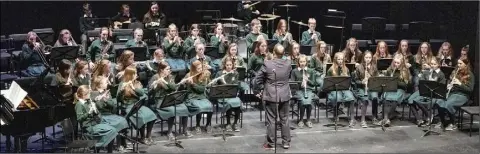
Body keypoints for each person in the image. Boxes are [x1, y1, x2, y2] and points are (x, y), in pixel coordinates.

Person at [254, 44, 292, 149]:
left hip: (271, 95)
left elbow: (257, 80)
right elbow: (288, 77)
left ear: (274, 53)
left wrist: (263, 87)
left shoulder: (267, 64)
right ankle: (286, 142)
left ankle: (271, 144)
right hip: (284, 94)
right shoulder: (288, 63)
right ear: (283, 54)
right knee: (284, 119)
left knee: (271, 120)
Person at [149, 62, 192, 140]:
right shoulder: (155, 77)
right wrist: (154, 86)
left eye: (169, 69)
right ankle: (169, 132)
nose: (169, 71)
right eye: (167, 69)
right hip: (160, 100)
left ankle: (185, 130)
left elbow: (173, 88)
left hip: (170, 98)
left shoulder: (170, 77)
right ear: (162, 70)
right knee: (172, 111)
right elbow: (150, 92)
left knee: (184, 108)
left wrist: (165, 82)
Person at [117, 65, 157, 144]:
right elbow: (118, 99)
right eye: (135, 74)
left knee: (152, 116)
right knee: (141, 117)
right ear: (130, 75)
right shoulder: (122, 84)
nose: (137, 75)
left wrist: (134, 88)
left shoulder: (137, 83)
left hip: (138, 105)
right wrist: (121, 91)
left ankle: (148, 136)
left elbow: (142, 94)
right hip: (128, 107)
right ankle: (142, 137)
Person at [91, 76, 129, 152]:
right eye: (105, 82)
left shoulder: (107, 92)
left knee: (123, 120)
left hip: (109, 114)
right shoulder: (93, 94)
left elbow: (113, 105)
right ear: (100, 84)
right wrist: (101, 99)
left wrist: (106, 100)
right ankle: (116, 145)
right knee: (119, 122)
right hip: (101, 116)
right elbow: (98, 107)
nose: (107, 83)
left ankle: (121, 143)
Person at [74, 85, 117, 153]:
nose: (90, 95)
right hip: (88, 127)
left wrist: (95, 110)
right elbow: (79, 119)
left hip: (94, 124)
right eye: (88, 94)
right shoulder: (79, 104)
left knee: (113, 130)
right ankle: (98, 148)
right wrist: (89, 112)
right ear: (83, 95)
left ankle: (103, 150)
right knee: (112, 131)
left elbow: (95, 113)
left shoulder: (88, 101)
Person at [436, 57, 474, 131]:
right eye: (458, 63)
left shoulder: (470, 75)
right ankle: (443, 121)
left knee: (449, 104)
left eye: (460, 63)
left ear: (466, 65)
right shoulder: (456, 72)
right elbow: (451, 85)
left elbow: (470, 90)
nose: (458, 65)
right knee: (439, 101)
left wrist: (459, 83)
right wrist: (449, 86)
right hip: (453, 94)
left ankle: (453, 123)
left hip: (463, 95)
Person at [213, 58, 248, 132]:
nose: (229, 66)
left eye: (230, 65)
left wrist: (225, 83)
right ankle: (228, 123)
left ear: (232, 65)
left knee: (238, 103)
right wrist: (221, 82)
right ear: (224, 65)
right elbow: (214, 84)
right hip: (222, 95)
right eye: (227, 65)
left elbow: (234, 85)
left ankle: (235, 123)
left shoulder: (235, 73)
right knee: (229, 103)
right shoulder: (220, 73)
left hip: (232, 94)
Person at [407, 58, 446, 126]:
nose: (433, 66)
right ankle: (419, 119)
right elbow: (421, 82)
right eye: (431, 64)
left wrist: (434, 83)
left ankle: (428, 116)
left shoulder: (441, 74)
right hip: (424, 91)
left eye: (434, 64)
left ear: (438, 65)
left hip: (434, 93)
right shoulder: (427, 72)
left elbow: (442, 87)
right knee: (410, 100)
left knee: (417, 100)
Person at [376, 55, 411, 127]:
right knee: (385, 98)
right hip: (391, 88)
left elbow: (406, 85)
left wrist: (396, 81)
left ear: (401, 63)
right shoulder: (390, 69)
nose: (396, 64)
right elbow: (386, 80)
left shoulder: (405, 71)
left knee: (394, 100)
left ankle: (386, 118)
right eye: (395, 62)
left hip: (400, 90)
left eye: (398, 63)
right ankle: (386, 119)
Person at [325, 52, 356, 127]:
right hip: (334, 89)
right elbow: (327, 82)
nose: (340, 61)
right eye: (339, 59)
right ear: (335, 60)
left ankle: (352, 119)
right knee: (338, 98)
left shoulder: (346, 69)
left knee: (351, 98)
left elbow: (349, 81)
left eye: (342, 59)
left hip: (344, 88)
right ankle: (335, 113)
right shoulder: (331, 70)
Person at [183, 60, 214, 134]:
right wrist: (185, 83)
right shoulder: (188, 75)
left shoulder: (204, 75)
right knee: (200, 108)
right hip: (192, 97)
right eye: (198, 68)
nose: (200, 70)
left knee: (210, 106)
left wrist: (193, 84)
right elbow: (186, 90)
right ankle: (197, 125)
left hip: (201, 96)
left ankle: (208, 125)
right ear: (193, 69)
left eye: (201, 68)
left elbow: (201, 89)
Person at [354, 51, 379, 127]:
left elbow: (377, 79)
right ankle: (363, 120)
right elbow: (355, 80)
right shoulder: (359, 67)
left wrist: (370, 77)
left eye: (369, 58)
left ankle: (374, 117)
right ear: (363, 58)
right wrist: (362, 82)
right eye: (366, 57)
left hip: (371, 87)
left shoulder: (374, 67)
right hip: (362, 88)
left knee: (375, 97)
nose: (368, 59)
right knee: (365, 99)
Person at [291, 55, 317, 128]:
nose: (302, 63)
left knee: (308, 101)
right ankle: (301, 120)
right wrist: (300, 83)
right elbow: (292, 84)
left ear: (306, 62)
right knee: (303, 101)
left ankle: (308, 120)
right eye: (301, 61)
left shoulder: (310, 71)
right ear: (298, 62)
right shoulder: (294, 71)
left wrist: (307, 80)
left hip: (308, 90)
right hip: (298, 90)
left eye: (304, 61)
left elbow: (314, 83)